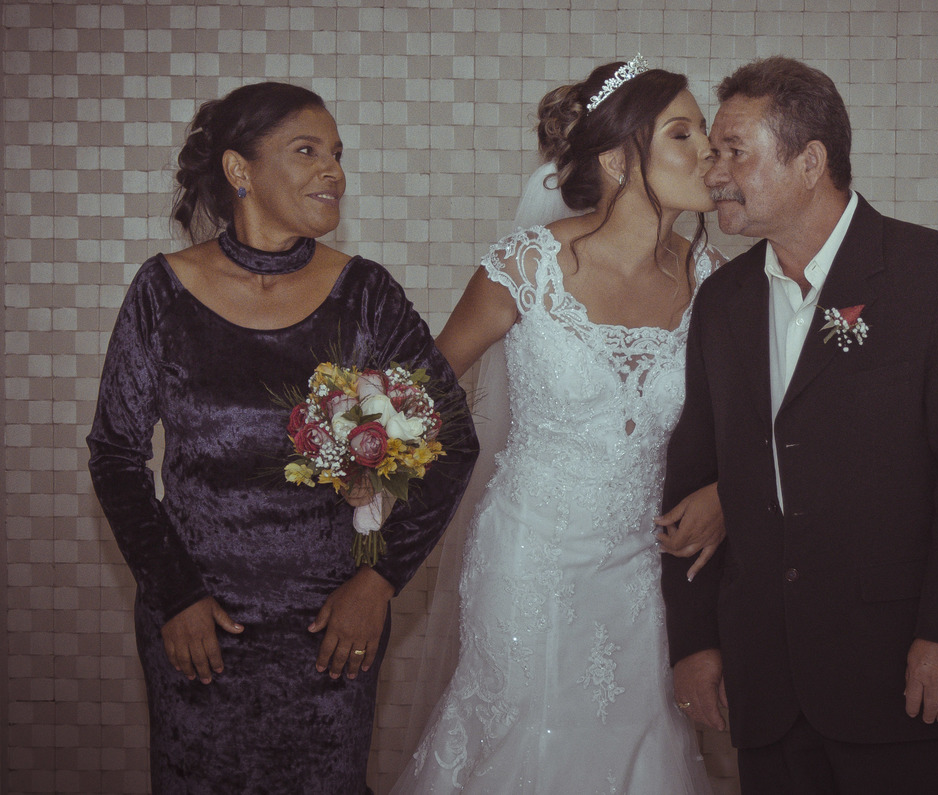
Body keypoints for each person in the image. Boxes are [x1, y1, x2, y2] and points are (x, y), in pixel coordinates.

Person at [86, 81, 478, 793]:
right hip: (196, 623)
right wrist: (174, 595)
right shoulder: (161, 291)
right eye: (307, 151)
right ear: (240, 170)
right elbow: (116, 456)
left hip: (333, 627)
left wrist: (378, 581)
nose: (333, 170)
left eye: (337, 154)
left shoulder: (365, 293)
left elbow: (454, 442)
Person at [661, 57, 938, 794]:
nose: (713, 172)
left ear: (810, 162)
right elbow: (693, 476)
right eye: (712, 152)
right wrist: (694, 642)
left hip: (901, 671)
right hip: (766, 682)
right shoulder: (722, 300)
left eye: (734, 151)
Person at [393, 58, 725, 793]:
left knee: (640, 741)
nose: (708, 149)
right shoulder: (525, 268)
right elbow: (416, 399)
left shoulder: (711, 278)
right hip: (531, 558)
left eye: (703, 130)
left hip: (647, 567)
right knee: (524, 742)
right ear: (616, 159)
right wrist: (356, 459)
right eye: (682, 133)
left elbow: (744, 425)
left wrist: (724, 495)